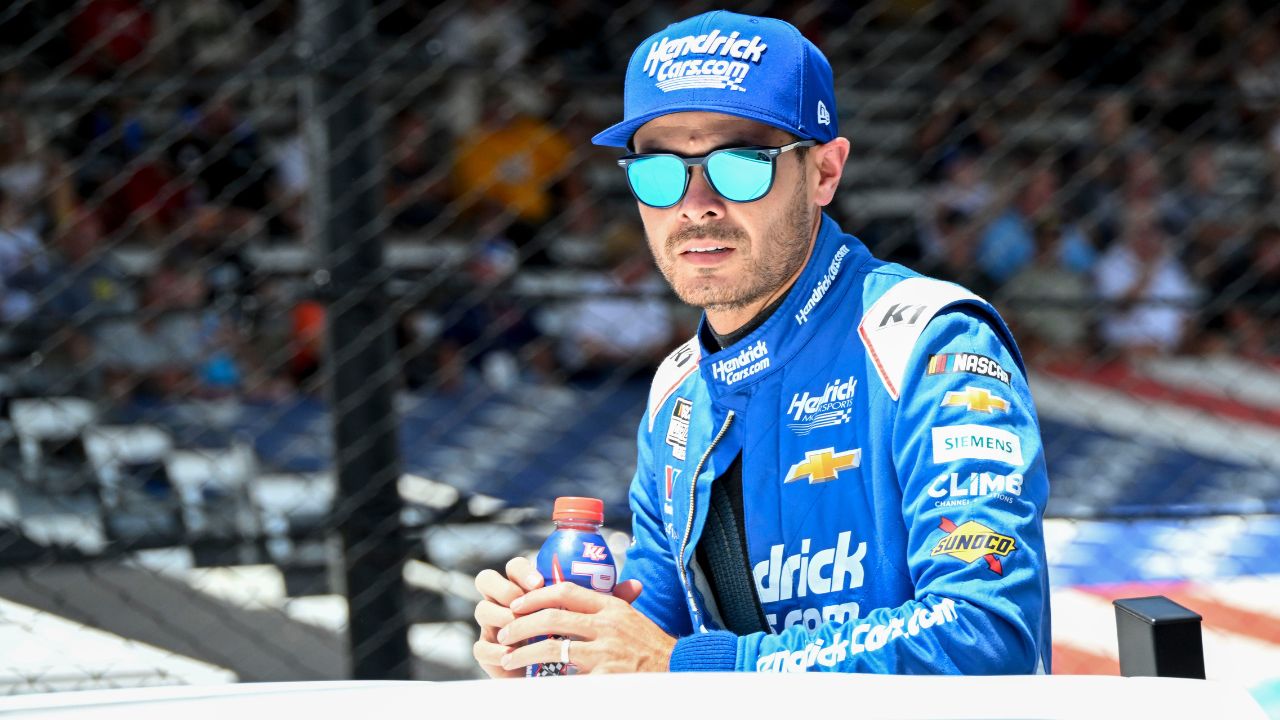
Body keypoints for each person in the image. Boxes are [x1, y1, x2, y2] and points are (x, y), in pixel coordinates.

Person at [472, 10, 1051, 676]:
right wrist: (558, 645)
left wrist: (693, 667)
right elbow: (649, 637)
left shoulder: (931, 342)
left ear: (825, 173)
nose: (695, 205)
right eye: (660, 173)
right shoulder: (677, 396)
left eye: (740, 166)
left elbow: (983, 633)